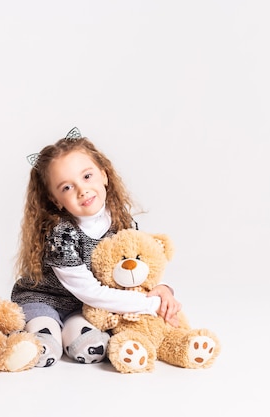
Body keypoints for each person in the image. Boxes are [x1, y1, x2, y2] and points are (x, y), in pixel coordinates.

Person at [11, 127, 182, 367]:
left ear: (104, 175)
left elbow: (137, 268)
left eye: (87, 176)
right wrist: (150, 304)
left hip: (84, 308)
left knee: (91, 348)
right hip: (44, 299)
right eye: (66, 187)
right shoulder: (62, 235)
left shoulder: (122, 222)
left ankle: (69, 333)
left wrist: (162, 290)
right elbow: (91, 291)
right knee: (45, 347)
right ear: (56, 201)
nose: (82, 190)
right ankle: (31, 335)